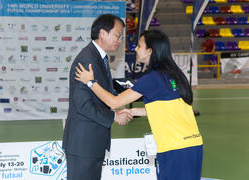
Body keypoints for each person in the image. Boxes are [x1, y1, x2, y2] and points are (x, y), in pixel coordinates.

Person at [75, 29, 203, 180]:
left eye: (139, 46)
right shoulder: (174, 74)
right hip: (193, 145)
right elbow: (169, 109)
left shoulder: (152, 79)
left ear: (150, 51)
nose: (135, 49)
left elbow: (114, 102)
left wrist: (90, 82)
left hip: (174, 149)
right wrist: (135, 111)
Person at [62, 14, 132, 180]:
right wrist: (113, 116)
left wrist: (120, 106)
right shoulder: (88, 59)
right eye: (117, 35)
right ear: (103, 34)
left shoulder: (100, 57)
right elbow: (82, 104)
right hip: (83, 144)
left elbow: (102, 95)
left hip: (91, 142)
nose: (120, 41)